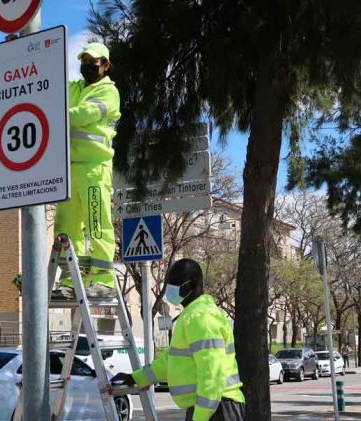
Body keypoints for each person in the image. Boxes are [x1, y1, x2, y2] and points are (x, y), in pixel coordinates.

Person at [111, 259, 245, 421]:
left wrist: (200, 418)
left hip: (218, 408)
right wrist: (136, 378)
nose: (169, 288)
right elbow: (170, 361)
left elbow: (212, 373)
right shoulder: (192, 315)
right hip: (212, 407)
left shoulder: (202, 318)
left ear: (193, 284)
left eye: (175, 282)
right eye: (169, 282)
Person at [52, 42, 121, 299]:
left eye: (93, 62)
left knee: (96, 222)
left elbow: (82, 115)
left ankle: (104, 281)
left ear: (105, 66)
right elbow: (50, 88)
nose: (87, 67)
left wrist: (56, 113)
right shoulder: (75, 88)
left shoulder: (108, 92)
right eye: (84, 62)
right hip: (69, 168)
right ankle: (72, 280)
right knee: (65, 225)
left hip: (94, 167)